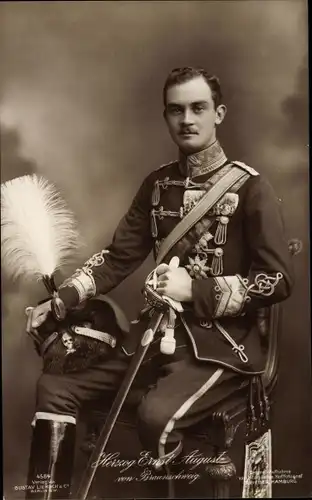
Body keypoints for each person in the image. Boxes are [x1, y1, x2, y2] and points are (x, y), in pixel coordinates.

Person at [26, 67, 294, 498]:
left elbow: (277, 281)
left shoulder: (251, 188)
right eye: (176, 110)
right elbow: (117, 258)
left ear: (218, 114)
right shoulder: (157, 185)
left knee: (155, 417)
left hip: (220, 349)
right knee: (55, 387)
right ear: (166, 117)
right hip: (153, 340)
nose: (187, 119)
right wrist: (62, 300)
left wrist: (196, 291)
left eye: (198, 108)